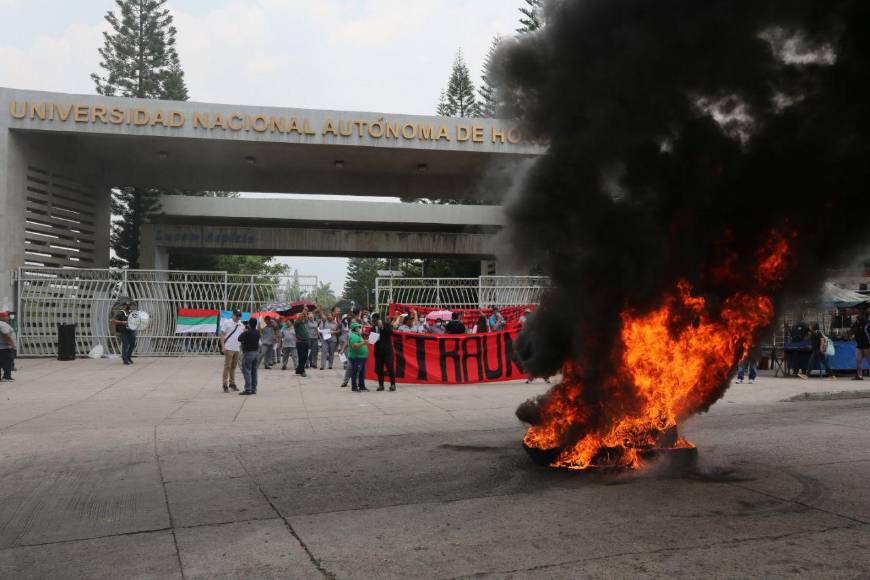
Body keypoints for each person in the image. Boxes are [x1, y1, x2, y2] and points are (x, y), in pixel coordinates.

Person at [219, 309, 244, 392]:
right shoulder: (227, 322)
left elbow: (243, 332)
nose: (238, 317)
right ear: (233, 315)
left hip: (237, 348)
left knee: (233, 367)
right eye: (236, 315)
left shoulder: (240, 324)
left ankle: (232, 383)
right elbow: (222, 334)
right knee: (227, 366)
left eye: (239, 316)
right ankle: (224, 384)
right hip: (228, 348)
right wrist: (223, 347)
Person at [371, 313, 396, 391]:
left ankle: (393, 384)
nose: (374, 322)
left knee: (390, 367)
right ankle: (381, 385)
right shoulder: (373, 328)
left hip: (387, 351)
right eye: (373, 321)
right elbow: (372, 339)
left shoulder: (386, 324)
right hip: (378, 352)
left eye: (375, 321)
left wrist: (381, 327)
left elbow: (390, 333)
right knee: (379, 369)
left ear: (379, 319)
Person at [238, 319, 260, 395]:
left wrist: (245, 331)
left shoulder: (247, 333)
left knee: (247, 371)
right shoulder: (258, 332)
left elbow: (239, 338)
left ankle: (248, 389)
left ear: (249, 324)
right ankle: (254, 388)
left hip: (248, 353)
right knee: (254, 371)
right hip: (256, 353)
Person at [112, 301, 137, 365]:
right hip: (123, 332)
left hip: (131, 331)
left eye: (129, 305)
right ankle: (125, 360)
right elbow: (114, 321)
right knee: (125, 345)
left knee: (132, 345)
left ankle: (128, 358)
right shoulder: (120, 313)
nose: (128, 306)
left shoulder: (131, 313)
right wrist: (122, 322)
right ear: (123, 306)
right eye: (126, 305)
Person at [347, 321, 369, 392]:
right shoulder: (354, 336)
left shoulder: (358, 335)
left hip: (361, 357)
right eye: (359, 327)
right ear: (355, 328)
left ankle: (362, 386)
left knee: (361, 372)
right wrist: (363, 342)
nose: (360, 328)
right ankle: (354, 387)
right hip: (357, 357)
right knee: (356, 372)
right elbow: (354, 346)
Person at [851, 311, 870, 381]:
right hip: (859, 346)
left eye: (858, 319)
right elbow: (853, 331)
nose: (857, 320)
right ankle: (859, 376)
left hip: (867, 347)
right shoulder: (857, 326)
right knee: (858, 361)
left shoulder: (867, 326)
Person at [0, 312, 16, 382]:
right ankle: (6, 377)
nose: (8, 318)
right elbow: (5, 334)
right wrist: (11, 343)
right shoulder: (2, 324)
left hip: (2, 347)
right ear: (2, 317)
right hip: (5, 348)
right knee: (8, 362)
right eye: (6, 316)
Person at [293, 312, 309, 377]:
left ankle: (298, 369)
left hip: (306, 341)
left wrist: (305, 313)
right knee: (301, 357)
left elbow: (306, 317)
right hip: (300, 342)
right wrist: (303, 311)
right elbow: (299, 319)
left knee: (305, 357)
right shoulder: (296, 323)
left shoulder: (304, 323)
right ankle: (302, 371)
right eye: (301, 317)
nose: (302, 318)